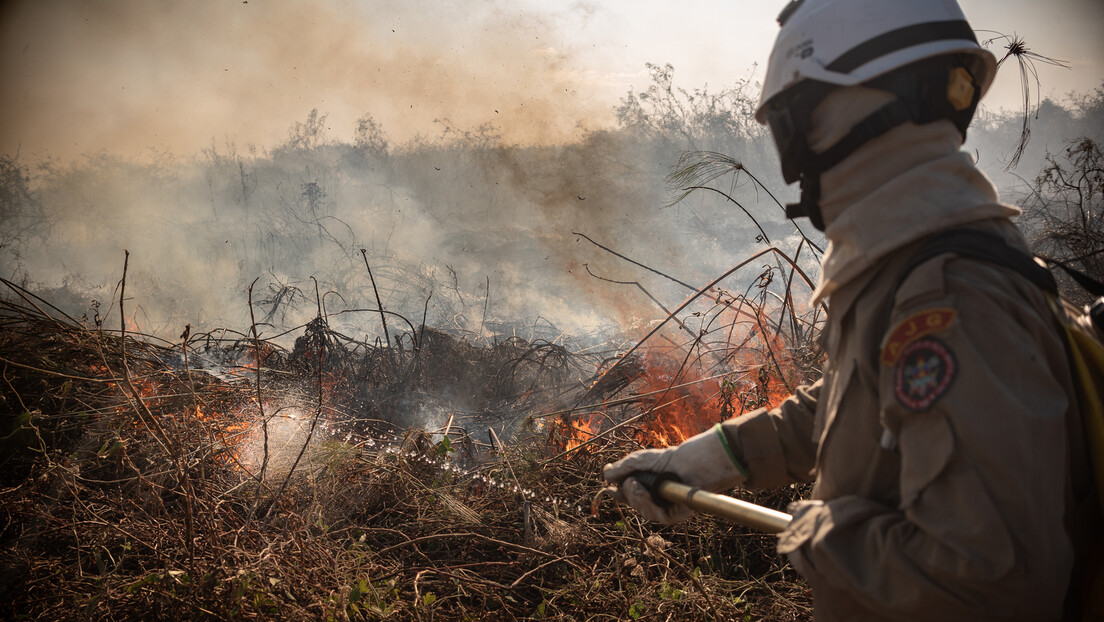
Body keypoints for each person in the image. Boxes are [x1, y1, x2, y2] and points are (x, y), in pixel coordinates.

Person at [603, 0, 1095, 619]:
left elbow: (991, 583)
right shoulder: (917, 266)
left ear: (843, 111)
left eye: (793, 124)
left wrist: (822, 535)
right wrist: (699, 461)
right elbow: (853, 403)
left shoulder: (951, 303)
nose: (796, 160)